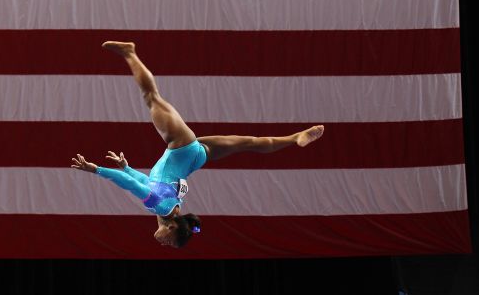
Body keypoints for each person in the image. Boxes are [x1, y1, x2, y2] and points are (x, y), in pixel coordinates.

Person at [71, 41, 325, 249]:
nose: (164, 245)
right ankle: (130, 53)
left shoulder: (171, 207)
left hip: (197, 157)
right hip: (182, 146)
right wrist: (97, 171)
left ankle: (295, 138)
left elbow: (144, 181)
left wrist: (127, 167)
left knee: (251, 143)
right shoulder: (159, 206)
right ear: (171, 228)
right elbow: (131, 185)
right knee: (152, 97)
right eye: (170, 242)